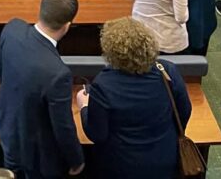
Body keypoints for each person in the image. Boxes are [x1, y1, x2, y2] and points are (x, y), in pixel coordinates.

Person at [81, 16, 191, 178]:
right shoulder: (167, 71)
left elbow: (97, 134)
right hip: (164, 158)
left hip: (120, 165)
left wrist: (84, 106)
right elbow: (184, 111)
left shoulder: (103, 84)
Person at [0, 0, 86, 178]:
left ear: (41, 10)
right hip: (34, 153)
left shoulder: (12, 29)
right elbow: (63, 126)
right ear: (67, 26)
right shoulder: (58, 74)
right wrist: (76, 160)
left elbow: (1, 72)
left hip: (6, 124)